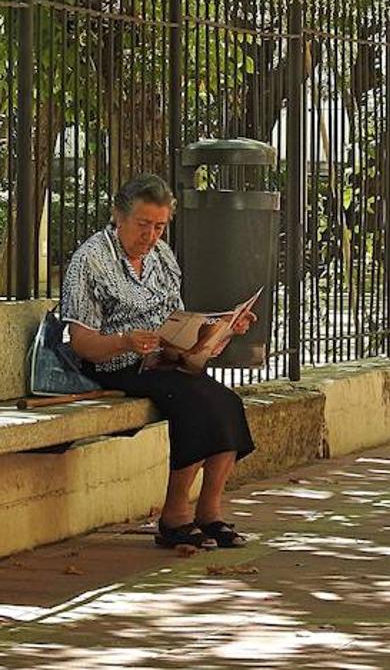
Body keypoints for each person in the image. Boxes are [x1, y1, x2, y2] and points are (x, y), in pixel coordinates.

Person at [61, 174, 256, 550]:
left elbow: (176, 321)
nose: (151, 236)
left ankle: (209, 511)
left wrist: (219, 332)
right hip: (114, 364)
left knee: (226, 402)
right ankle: (174, 515)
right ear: (118, 217)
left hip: (163, 360)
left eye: (160, 227)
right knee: (194, 403)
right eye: (143, 225)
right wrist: (125, 342)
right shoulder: (90, 259)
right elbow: (82, 343)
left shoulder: (162, 256)